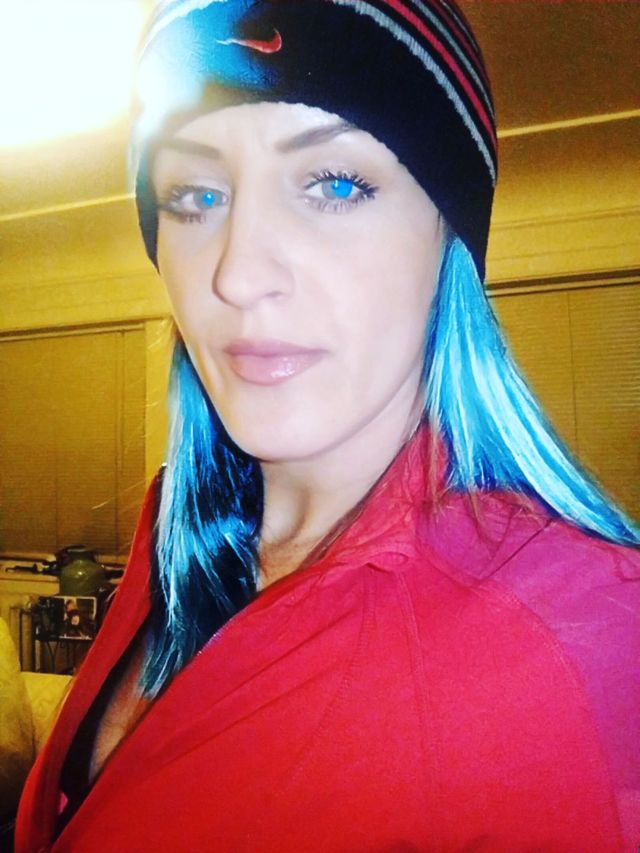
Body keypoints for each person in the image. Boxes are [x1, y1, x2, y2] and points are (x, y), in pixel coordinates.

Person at [16, 1, 640, 850]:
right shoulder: (175, 538)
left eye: (336, 185)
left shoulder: (580, 641)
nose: (238, 274)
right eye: (197, 195)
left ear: (451, 233)